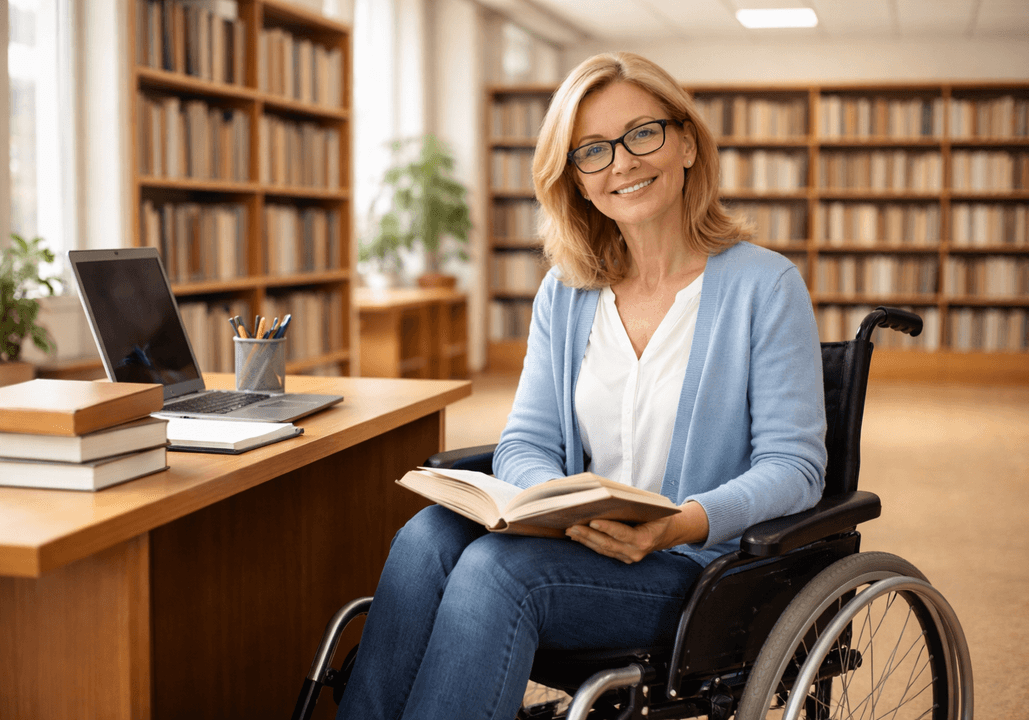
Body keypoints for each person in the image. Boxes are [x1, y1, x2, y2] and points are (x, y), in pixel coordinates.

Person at [335, 51, 827, 720]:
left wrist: (677, 524)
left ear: (686, 142)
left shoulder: (765, 287)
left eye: (642, 133)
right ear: (576, 180)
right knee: (425, 538)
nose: (621, 162)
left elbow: (794, 468)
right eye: (592, 150)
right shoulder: (566, 292)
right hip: (576, 544)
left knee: (492, 572)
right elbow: (528, 439)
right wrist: (547, 502)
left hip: (695, 568)